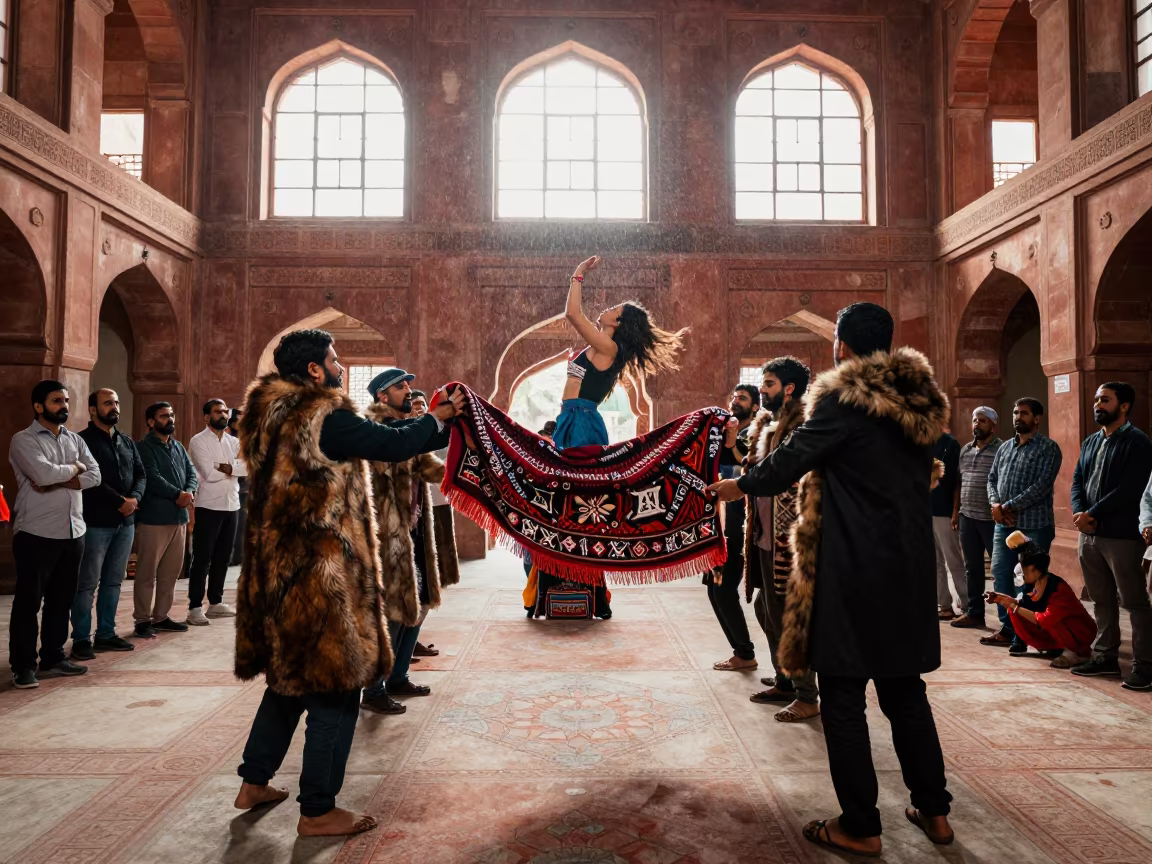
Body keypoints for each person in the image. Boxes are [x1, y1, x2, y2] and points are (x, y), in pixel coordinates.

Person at [709, 303, 954, 857]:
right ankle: (935, 813)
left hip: (851, 568)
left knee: (843, 695)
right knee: (905, 693)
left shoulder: (844, 399)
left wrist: (737, 487)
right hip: (908, 569)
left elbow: (792, 458)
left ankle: (861, 825)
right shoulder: (920, 401)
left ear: (840, 344)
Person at [232, 329, 465, 837]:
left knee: (288, 681)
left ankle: (253, 781)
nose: (339, 367)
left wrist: (432, 424)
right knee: (337, 690)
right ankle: (318, 809)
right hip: (322, 573)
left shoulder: (267, 418)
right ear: (315, 370)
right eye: (334, 360)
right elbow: (389, 443)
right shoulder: (323, 417)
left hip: (277, 569)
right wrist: (440, 418)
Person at [359, 369, 455, 715]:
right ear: (383, 396)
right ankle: (373, 688)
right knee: (389, 615)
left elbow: (432, 467)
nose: (408, 391)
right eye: (401, 387)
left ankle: (398, 676)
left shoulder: (409, 433)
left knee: (418, 606)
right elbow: (391, 453)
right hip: (386, 538)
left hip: (411, 533)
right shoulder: (374, 431)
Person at [8, 380, 101, 689]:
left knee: (61, 600)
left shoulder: (75, 439)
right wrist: (74, 469)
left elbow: (95, 475)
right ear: (38, 406)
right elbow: (41, 473)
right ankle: (23, 666)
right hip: (36, 532)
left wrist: (66, 476)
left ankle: (53, 657)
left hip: (74, 531)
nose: (64, 405)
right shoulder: (23, 440)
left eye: (65, 400)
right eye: (56, 400)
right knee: (28, 603)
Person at [744, 357, 821, 722]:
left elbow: (795, 474)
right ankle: (785, 682)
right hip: (764, 530)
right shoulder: (769, 423)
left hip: (788, 532)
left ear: (789, 388)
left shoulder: (805, 424)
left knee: (790, 613)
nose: (762, 389)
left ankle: (807, 694)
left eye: (769, 383)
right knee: (765, 608)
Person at [1070, 383, 1152, 690]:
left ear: (1124, 406)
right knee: (1100, 599)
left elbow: (1132, 489)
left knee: (1134, 601)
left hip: (1121, 535)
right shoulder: (1091, 441)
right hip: (1088, 534)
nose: (1098, 404)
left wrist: (1094, 514)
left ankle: (1145, 665)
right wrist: (1080, 513)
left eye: (1105, 400)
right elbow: (1077, 479)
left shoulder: (1138, 442)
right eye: (1096, 400)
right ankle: (1104, 657)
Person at [981, 398, 1062, 649]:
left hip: (1034, 524)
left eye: (1024, 413)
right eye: (1016, 412)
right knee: (1002, 574)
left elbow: (1041, 486)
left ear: (1037, 418)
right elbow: (991, 479)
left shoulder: (1048, 448)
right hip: (1003, 525)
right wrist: (995, 506)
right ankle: (1009, 628)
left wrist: (1007, 507)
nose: (1018, 417)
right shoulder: (1005, 447)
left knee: (1030, 581)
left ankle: (1028, 634)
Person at [71, 388, 145, 659]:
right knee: (87, 583)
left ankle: (105, 634)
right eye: (107, 403)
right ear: (93, 410)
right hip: (96, 522)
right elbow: (90, 481)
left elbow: (141, 473)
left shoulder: (125, 441)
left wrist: (134, 499)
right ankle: (81, 639)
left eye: (116, 402)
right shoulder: (81, 441)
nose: (114, 407)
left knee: (114, 582)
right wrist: (119, 501)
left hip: (126, 522)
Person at [985, 531, 1096, 668]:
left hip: (1080, 632)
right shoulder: (1031, 586)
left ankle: (1078, 653)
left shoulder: (1058, 589)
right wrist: (1001, 599)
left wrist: (1013, 605)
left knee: (1049, 619)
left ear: (1036, 571)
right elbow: (1023, 605)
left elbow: (1045, 619)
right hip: (1057, 628)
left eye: (1025, 572)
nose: (1023, 576)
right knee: (1014, 611)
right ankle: (1054, 647)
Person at [134, 402, 198, 639]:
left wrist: (189, 492)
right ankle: (142, 619)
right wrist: (177, 495)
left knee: (170, 573)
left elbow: (192, 473)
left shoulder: (178, 446)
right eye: (163, 416)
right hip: (154, 519)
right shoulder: (143, 447)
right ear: (151, 421)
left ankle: (161, 616)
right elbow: (151, 477)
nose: (169, 419)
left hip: (179, 519)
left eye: (171, 415)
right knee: (147, 573)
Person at [709, 384, 760, 673]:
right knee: (714, 590)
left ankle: (745, 652)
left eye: (742, 398)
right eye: (733, 397)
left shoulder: (757, 437)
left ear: (755, 407)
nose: (735, 401)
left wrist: (731, 445)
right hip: (720, 524)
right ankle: (741, 652)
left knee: (725, 590)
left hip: (740, 528)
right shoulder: (729, 434)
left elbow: (751, 469)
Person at [185, 399, 246, 626]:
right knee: (202, 558)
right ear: (206, 417)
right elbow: (208, 473)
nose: (223, 414)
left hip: (232, 505)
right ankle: (194, 607)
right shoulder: (198, 441)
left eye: (224, 411)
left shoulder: (233, 441)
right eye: (217, 411)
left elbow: (246, 468)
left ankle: (216, 602)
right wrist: (231, 468)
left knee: (223, 556)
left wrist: (226, 467)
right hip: (209, 505)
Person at [950, 407, 1002, 629]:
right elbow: (959, 483)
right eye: (974, 420)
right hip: (967, 517)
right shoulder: (965, 450)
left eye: (982, 420)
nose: (976, 424)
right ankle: (974, 612)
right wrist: (956, 512)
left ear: (992, 425)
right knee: (972, 568)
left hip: (991, 520)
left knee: (1000, 570)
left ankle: (1007, 619)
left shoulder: (1002, 449)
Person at [932, 430, 966, 620]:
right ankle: (944, 606)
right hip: (925, 511)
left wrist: (955, 511)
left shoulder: (950, 444)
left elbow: (956, 482)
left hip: (944, 511)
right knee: (935, 562)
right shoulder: (920, 442)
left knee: (953, 560)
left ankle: (968, 605)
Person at [227, 408, 248, 567]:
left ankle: (241, 557)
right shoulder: (228, 441)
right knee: (235, 524)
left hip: (247, 487)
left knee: (244, 524)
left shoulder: (250, 439)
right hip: (232, 486)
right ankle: (234, 557)